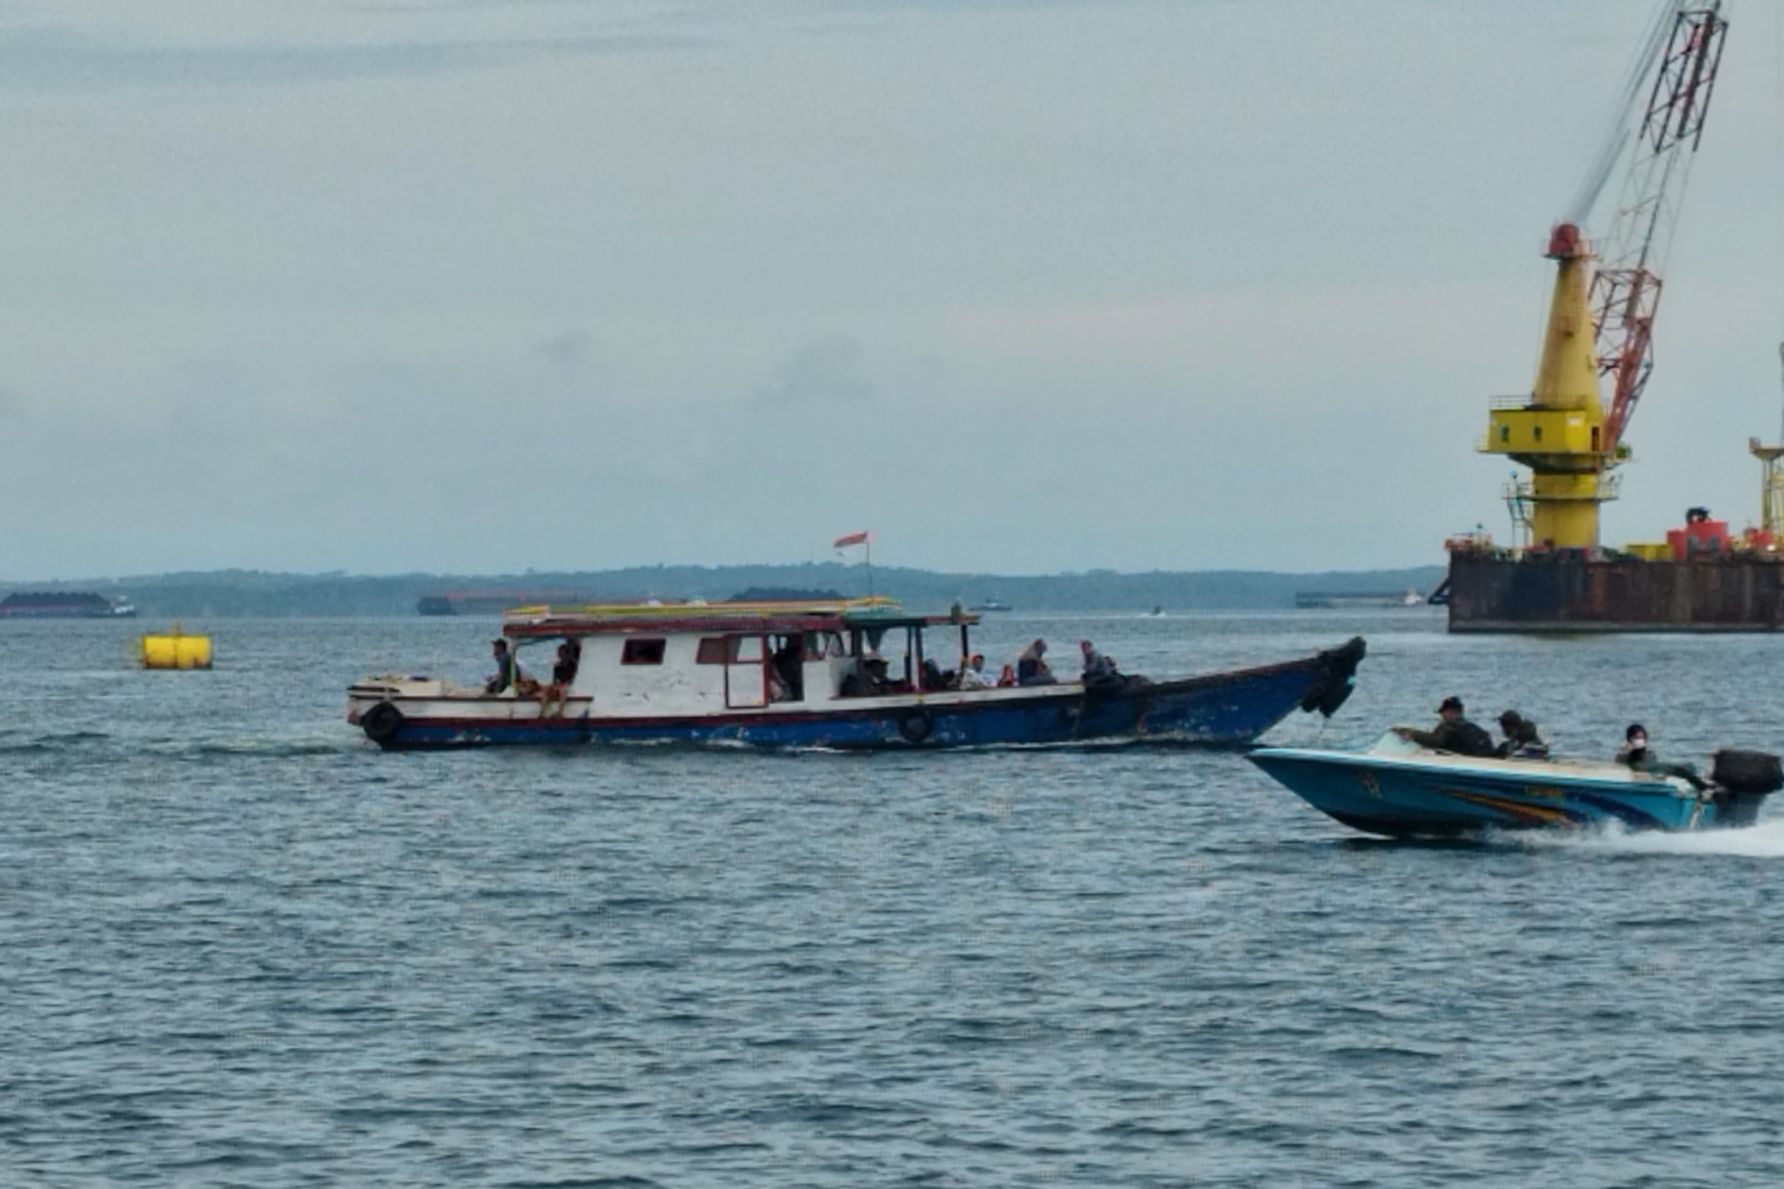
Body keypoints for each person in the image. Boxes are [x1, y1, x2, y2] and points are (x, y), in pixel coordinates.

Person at [1617, 723, 1709, 790]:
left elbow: (1652, 758)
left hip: (1652, 768)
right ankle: (1704, 787)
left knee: (1689, 766)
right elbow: (1622, 760)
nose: (1640, 740)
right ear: (1630, 738)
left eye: (1642, 737)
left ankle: (1700, 782)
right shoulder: (1626, 749)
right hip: (1641, 767)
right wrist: (1629, 749)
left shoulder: (1648, 750)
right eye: (1637, 737)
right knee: (1678, 769)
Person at [1401, 696, 1495, 757]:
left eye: (1443, 712)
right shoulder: (1474, 728)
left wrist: (1411, 734)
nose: (1442, 716)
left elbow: (1434, 741)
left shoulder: (1449, 727)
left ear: (1451, 711)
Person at [538, 641, 580, 716]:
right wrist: (553, 685)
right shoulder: (557, 665)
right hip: (558, 684)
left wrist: (561, 684)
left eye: (562, 653)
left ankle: (560, 712)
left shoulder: (571, 664)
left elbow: (571, 678)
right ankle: (541, 713)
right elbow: (553, 677)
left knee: (563, 690)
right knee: (546, 691)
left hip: (565, 684)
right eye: (559, 653)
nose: (560, 655)